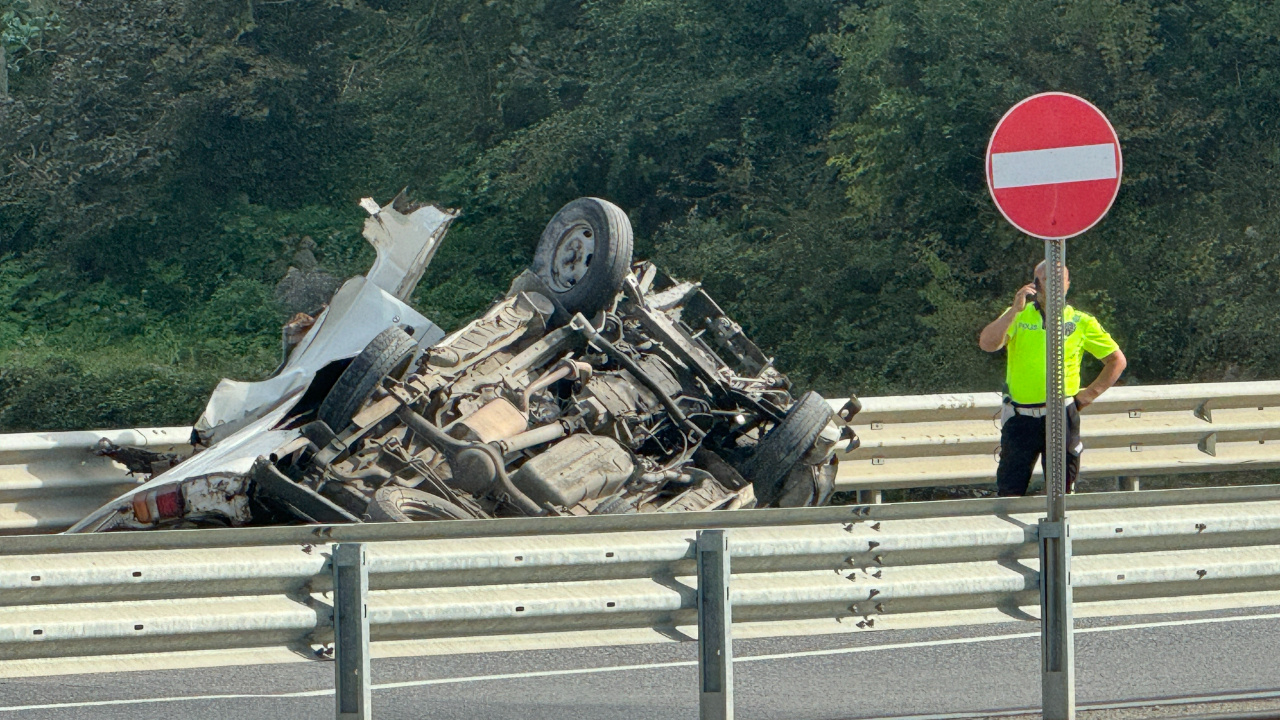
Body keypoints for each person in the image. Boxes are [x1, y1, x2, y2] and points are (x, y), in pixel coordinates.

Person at [978, 260, 1127, 496]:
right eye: (1048, 279)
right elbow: (987, 344)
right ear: (1036, 284)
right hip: (1020, 417)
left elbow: (1117, 361)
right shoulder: (1018, 314)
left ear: (1068, 284)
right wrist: (1014, 311)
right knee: (1009, 490)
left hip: (1061, 414)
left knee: (1061, 493)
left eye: (1060, 279)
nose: (1056, 284)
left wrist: (1086, 397)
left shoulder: (1081, 321)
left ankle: (1058, 532)